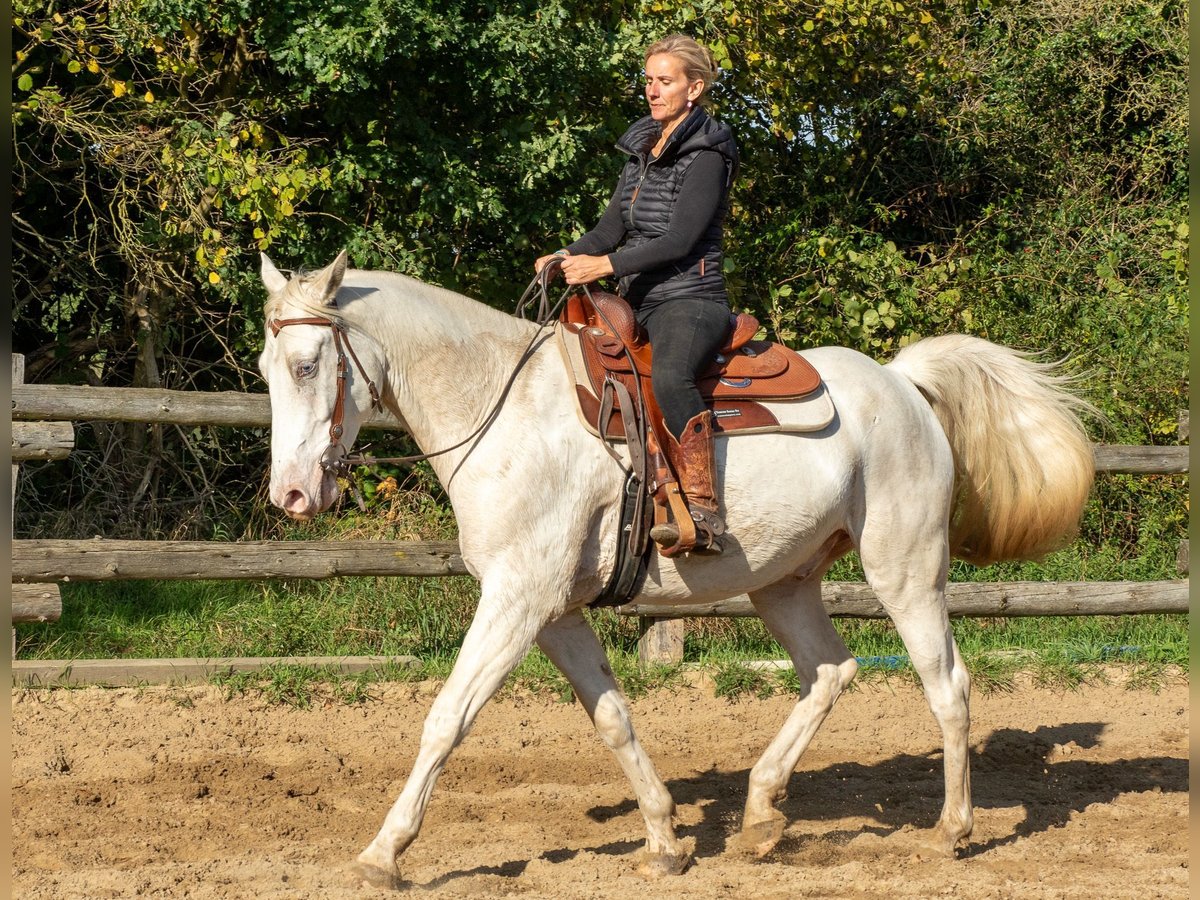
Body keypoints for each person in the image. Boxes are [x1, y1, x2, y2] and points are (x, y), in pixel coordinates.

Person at [535, 33, 739, 556]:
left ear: (693, 88)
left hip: (690, 298)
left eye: (664, 80)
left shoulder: (709, 154)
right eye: (648, 79)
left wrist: (604, 265)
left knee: (671, 375)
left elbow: (680, 240)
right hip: (636, 299)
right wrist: (565, 255)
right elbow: (608, 230)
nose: (652, 89)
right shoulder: (640, 153)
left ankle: (704, 511)